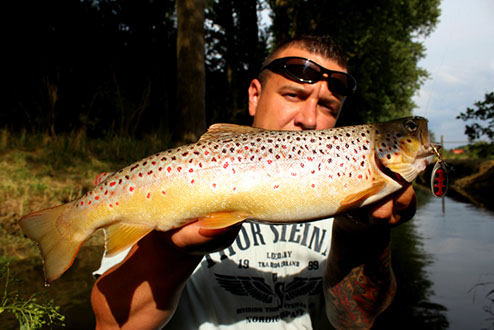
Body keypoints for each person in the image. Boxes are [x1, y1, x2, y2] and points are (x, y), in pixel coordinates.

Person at [91, 35, 416, 329]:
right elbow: (112, 325)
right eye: (293, 95)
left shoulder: (343, 200)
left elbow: (356, 322)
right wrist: (170, 249)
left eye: (328, 106)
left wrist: (364, 236)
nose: (310, 118)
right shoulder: (173, 180)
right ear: (254, 96)